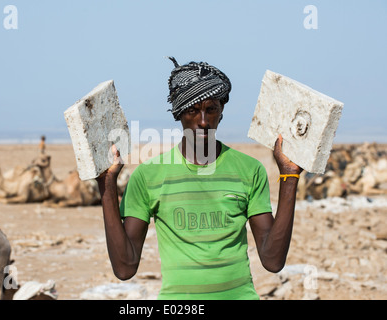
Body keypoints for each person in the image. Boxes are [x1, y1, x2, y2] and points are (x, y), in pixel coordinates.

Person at [96, 57, 302, 300]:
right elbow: (124, 268)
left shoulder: (249, 170)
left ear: (221, 112)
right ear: (179, 114)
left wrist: (290, 177)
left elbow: (272, 260)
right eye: (193, 110)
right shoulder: (148, 175)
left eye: (211, 109)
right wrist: (107, 185)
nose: (203, 121)